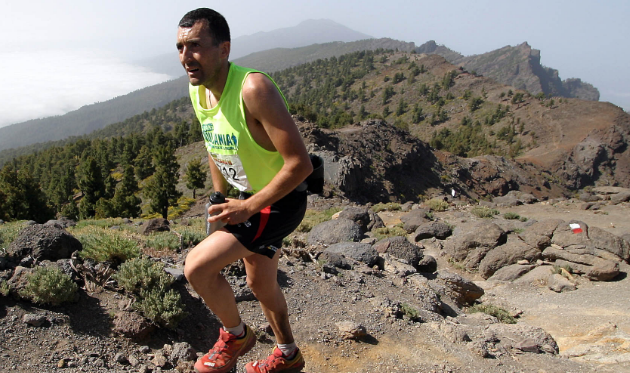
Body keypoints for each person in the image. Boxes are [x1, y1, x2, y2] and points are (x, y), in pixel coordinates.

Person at [177, 8, 312, 373]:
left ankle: (236, 335)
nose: (186, 57)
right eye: (179, 48)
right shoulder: (199, 90)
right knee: (260, 284)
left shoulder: (253, 89)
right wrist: (219, 200)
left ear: (224, 49)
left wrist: (248, 207)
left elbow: (301, 164)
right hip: (245, 201)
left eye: (195, 46)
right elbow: (213, 145)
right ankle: (288, 355)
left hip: (278, 202)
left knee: (198, 268)